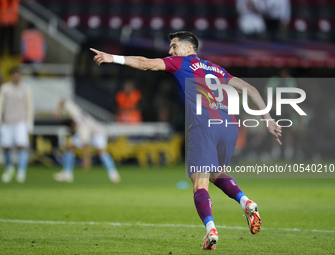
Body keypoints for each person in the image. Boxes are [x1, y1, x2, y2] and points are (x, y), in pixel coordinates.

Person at [90, 31, 282, 250]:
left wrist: (112, 58)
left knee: (199, 182)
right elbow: (251, 89)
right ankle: (246, 201)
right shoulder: (217, 69)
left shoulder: (180, 63)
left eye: (174, 46)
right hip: (229, 126)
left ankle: (211, 230)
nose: (170, 51)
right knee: (214, 173)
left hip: (203, 126)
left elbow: (145, 64)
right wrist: (268, 119)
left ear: (189, 48)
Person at [53, 99, 121, 183]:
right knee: (69, 147)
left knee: (101, 152)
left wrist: (86, 160)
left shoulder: (81, 128)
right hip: (89, 131)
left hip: (98, 132)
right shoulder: (75, 112)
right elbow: (63, 101)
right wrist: (58, 111)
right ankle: (67, 174)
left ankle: (113, 173)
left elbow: (85, 145)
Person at [0, 66, 34, 183]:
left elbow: (29, 106)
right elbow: (0, 104)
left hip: (20, 122)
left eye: (19, 74)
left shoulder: (25, 89)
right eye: (15, 74)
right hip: (7, 122)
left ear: (21, 76)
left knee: (21, 146)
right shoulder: (5, 88)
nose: (17, 76)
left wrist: (29, 122)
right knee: (6, 147)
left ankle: (21, 171)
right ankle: (9, 167)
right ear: (12, 75)